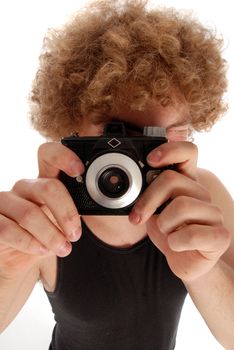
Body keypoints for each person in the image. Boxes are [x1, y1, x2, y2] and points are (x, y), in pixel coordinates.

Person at [0, 0, 233, 349]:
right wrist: (7, 269)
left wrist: (205, 270)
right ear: (71, 124)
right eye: (121, 136)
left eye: (172, 134)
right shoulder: (49, 211)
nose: (149, 157)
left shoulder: (199, 193)